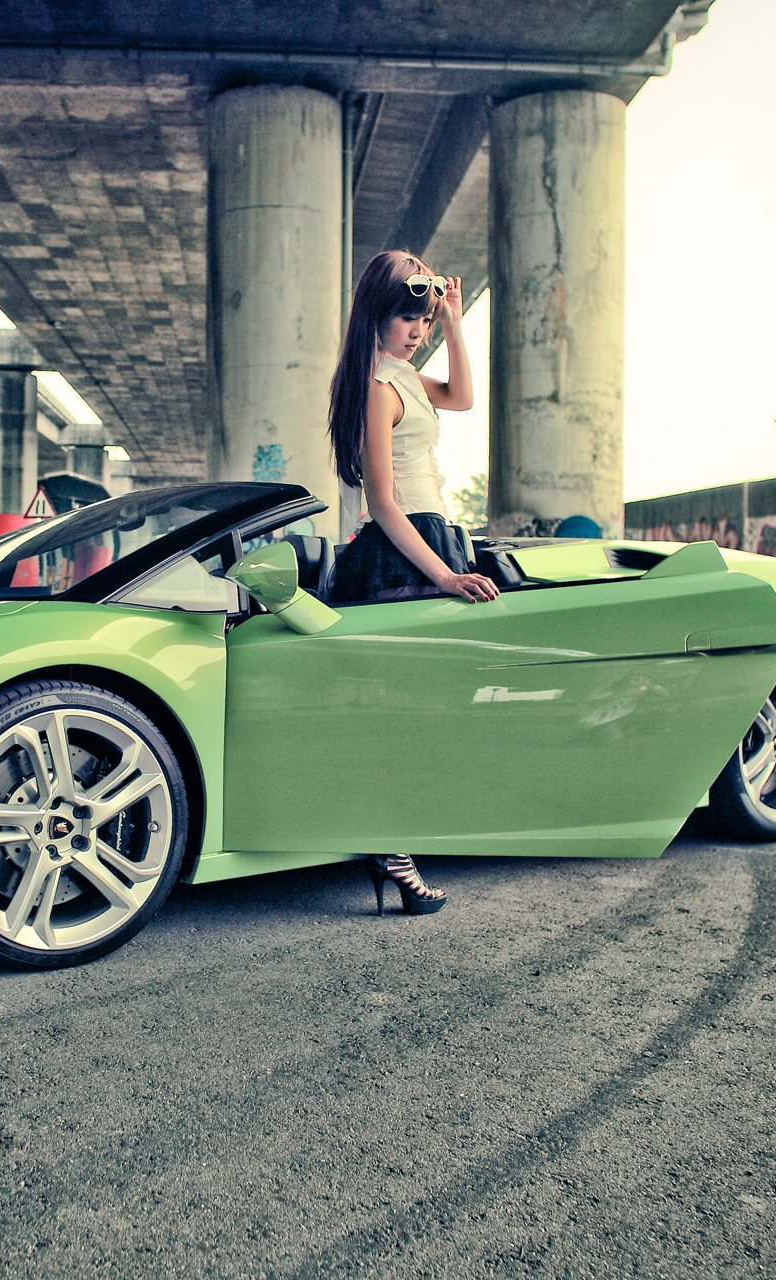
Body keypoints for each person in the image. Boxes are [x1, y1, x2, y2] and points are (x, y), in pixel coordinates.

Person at [324, 249, 501, 916]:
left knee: (422, 711)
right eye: (409, 318)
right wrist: (446, 575)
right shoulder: (376, 386)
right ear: (376, 313)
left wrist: (452, 318)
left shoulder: (408, 376)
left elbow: (463, 397)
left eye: (423, 321)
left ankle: (396, 842)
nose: (417, 331)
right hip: (407, 554)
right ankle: (393, 850)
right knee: (403, 713)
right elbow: (383, 502)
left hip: (432, 544)